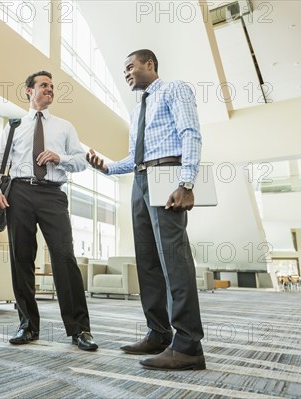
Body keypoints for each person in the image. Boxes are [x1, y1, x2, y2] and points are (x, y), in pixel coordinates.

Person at [87, 49, 205, 370]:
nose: (126, 73)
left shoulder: (174, 89)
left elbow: (190, 133)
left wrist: (187, 182)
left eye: (130, 66)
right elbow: (134, 155)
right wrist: (107, 168)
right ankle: (159, 332)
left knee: (173, 261)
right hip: (141, 180)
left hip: (167, 175)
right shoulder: (138, 107)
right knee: (148, 262)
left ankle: (188, 345)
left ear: (149, 64)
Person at [0, 71, 98, 351]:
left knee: (64, 257)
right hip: (20, 193)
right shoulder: (14, 127)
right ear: (29, 91)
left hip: (52, 193)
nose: (50, 89)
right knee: (21, 258)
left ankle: (79, 329)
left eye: (52, 86)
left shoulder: (64, 126)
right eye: (44, 85)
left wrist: (59, 158)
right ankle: (28, 325)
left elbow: (81, 161)